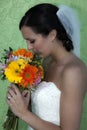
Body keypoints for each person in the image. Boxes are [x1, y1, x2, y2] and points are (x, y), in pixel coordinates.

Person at [6, 3, 87, 130]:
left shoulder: (73, 71)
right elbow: (43, 111)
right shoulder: (46, 62)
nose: (29, 47)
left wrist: (23, 113)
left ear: (52, 35)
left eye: (32, 41)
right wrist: (22, 104)